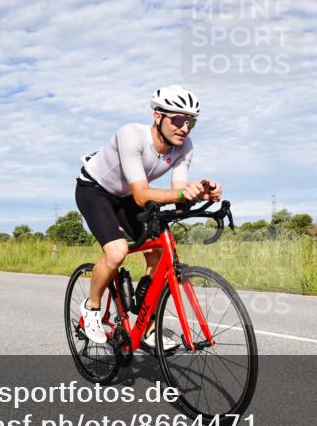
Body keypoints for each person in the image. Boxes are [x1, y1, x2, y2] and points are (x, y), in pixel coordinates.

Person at [75, 85, 222, 350]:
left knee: (158, 252)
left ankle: (147, 324)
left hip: (127, 196)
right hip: (95, 190)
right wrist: (181, 193)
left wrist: (200, 193)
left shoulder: (184, 146)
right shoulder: (131, 135)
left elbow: (179, 192)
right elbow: (143, 196)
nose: (185, 128)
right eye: (178, 119)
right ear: (157, 116)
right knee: (117, 252)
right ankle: (91, 309)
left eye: (191, 122)